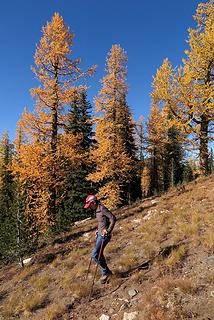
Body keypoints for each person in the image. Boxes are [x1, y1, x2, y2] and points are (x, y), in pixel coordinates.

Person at [84, 194, 116, 284]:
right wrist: (98, 230)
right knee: (99, 254)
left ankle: (105, 272)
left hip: (105, 236)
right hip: (100, 235)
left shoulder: (102, 209)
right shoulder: (97, 210)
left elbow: (113, 218)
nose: (89, 207)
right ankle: (107, 273)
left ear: (93, 202)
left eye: (90, 205)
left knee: (94, 255)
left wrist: (108, 230)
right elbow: (102, 222)